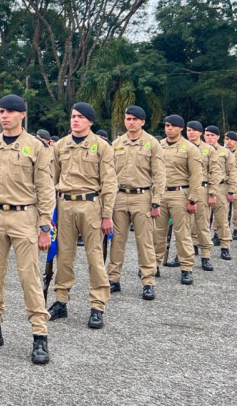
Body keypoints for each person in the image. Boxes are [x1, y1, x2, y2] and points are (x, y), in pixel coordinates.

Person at [0, 95, 55, 364]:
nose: (4, 116)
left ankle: (39, 335)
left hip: (24, 217)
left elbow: (45, 188)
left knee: (29, 277)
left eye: (10, 112)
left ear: (22, 115)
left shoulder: (35, 147)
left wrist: (44, 227)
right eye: (1, 111)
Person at [47, 102, 117, 329]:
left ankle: (97, 305)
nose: (75, 120)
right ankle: (61, 300)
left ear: (90, 121)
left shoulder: (101, 146)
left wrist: (107, 215)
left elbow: (109, 182)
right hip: (65, 204)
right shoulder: (60, 145)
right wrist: (49, 212)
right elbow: (51, 179)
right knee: (64, 256)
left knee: (95, 257)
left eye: (80, 117)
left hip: (91, 206)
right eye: (73, 116)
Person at [106, 106, 165, 301]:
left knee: (144, 241)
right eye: (128, 119)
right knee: (117, 241)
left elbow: (159, 174)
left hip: (142, 197)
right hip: (120, 197)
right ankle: (113, 279)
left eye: (134, 119)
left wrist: (156, 201)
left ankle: (148, 281)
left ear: (142, 122)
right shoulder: (117, 143)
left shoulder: (151, 144)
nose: (130, 122)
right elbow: (109, 173)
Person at [154, 115, 203, 285]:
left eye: (173, 126)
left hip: (180, 195)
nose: (169, 128)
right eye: (167, 125)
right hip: (160, 195)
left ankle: (186, 268)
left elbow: (196, 175)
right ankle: (154, 264)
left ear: (181, 128)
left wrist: (193, 199)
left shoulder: (190, 148)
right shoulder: (158, 146)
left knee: (182, 234)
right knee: (157, 233)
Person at [184, 121, 223, 272]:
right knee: (184, 226)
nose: (191, 133)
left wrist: (212, 192)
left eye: (194, 130)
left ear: (200, 132)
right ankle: (183, 255)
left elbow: (215, 171)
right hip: (184, 189)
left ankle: (205, 256)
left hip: (202, 189)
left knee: (202, 224)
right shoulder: (183, 147)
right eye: (188, 130)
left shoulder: (209, 149)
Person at [203, 126, 236, 261]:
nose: (209, 137)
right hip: (203, 188)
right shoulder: (199, 149)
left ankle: (225, 247)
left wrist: (231, 190)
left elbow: (232, 172)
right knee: (200, 221)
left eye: (212, 135)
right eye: (207, 135)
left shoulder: (225, 153)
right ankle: (196, 245)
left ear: (217, 137)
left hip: (220, 188)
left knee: (222, 219)